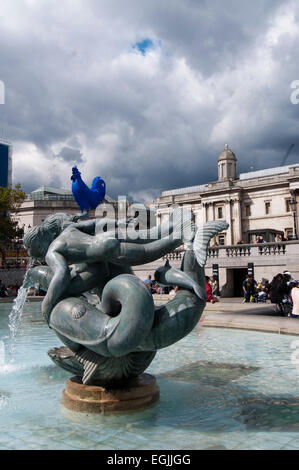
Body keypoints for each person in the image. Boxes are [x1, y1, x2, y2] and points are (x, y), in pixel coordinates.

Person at [23, 209, 196, 322]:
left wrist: (47, 303)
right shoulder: (69, 231)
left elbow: (61, 274)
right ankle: (175, 224)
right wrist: (120, 223)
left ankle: (180, 236)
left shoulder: (52, 251)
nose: (33, 256)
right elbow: (96, 223)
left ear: (39, 245)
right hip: (108, 236)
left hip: (106, 250)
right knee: (147, 236)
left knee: (146, 252)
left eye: (33, 251)